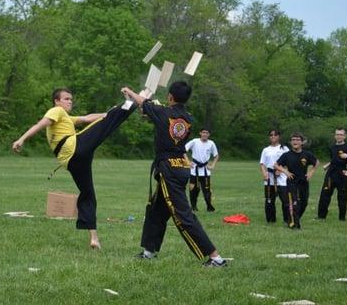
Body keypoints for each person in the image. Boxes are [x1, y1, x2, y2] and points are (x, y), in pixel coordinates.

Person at [12, 88, 138, 249]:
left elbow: (87, 118)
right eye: (66, 99)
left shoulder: (65, 117)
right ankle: (130, 103)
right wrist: (22, 139)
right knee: (106, 125)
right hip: (75, 148)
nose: (70, 101)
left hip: (72, 162)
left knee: (88, 194)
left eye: (71, 99)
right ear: (57, 101)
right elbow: (41, 124)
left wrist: (106, 114)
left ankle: (94, 238)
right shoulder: (56, 111)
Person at [122, 82, 226, 267]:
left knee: (183, 215)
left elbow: (143, 103)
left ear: (170, 96)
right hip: (181, 166)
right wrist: (149, 106)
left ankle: (216, 258)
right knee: (156, 210)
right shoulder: (188, 118)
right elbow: (149, 112)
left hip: (169, 169)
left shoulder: (163, 112)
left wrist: (129, 91)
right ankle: (149, 251)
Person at [274, 133, 319, 229]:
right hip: (291, 182)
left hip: (303, 181)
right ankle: (295, 225)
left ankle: (294, 218)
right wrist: (285, 171)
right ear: (291, 142)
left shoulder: (307, 154)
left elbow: (317, 162)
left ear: (302, 142)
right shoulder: (286, 155)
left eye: (298, 140)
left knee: (304, 203)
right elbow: (276, 165)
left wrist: (311, 172)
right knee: (294, 203)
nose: (295, 141)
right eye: (293, 139)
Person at [316, 128, 347, 221]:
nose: (339, 136)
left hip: (342, 174)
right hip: (330, 175)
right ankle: (321, 217)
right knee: (325, 195)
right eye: (337, 134)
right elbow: (334, 159)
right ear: (335, 136)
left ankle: (342, 218)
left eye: (341, 134)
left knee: (342, 197)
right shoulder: (332, 147)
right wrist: (328, 165)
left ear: (344, 136)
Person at [185, 129, 219, 212]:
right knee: (193, 190)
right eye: (203, 132)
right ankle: (193, 207)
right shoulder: (195, 141)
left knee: (207, 190)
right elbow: (183, 150)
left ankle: (209, 207)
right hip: (194, 170)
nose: (205, 134)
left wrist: (213, 165)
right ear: (200, 133)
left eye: (207, 133)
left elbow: (216, 155)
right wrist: (188, 162)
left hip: (205, 170)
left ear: (209, 134)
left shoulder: (211, 143)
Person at [259, 129, 289, 223]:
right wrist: (264, 173)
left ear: (279, 136)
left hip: (282, 178)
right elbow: (262, 163)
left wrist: (281, 170)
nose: (273, 136)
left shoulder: (284, 149)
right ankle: (271, 220)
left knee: (285, 200)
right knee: (269, 200)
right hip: (269, 178)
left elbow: (289, 162)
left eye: (275, 135)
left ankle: (287, 219)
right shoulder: (266, 150)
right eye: (271, 135)